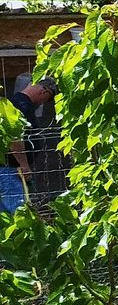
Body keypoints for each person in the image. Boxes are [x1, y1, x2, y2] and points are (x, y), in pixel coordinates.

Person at [1, 76, 57, 212]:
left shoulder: (18, 103)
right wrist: (24, 165)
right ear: (44, 92)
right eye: (48, 99)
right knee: (16, 214)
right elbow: (14, 137)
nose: (43, 103)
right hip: (11, 171)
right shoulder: (22, 106)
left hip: (10, 170)